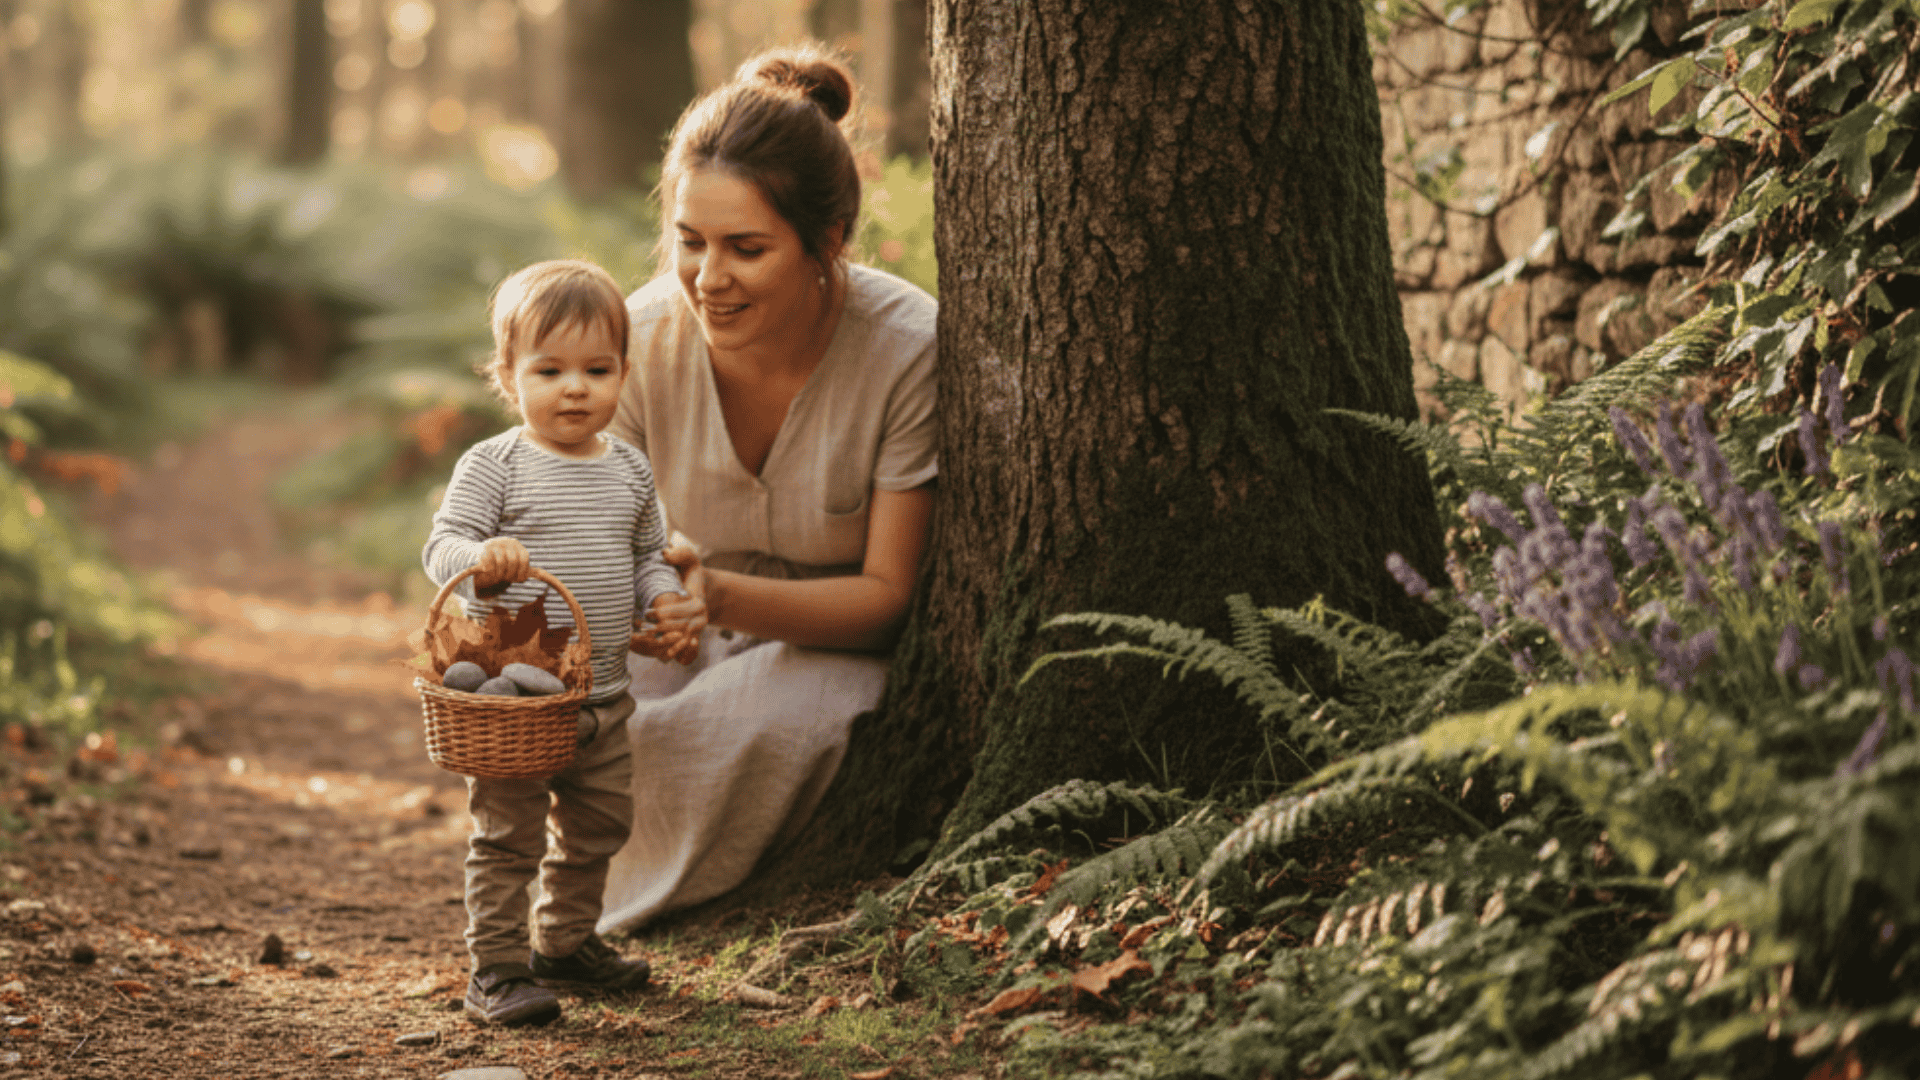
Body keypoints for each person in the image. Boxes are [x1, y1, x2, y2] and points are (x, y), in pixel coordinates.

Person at [597, 43, 937, 933]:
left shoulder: (904, 349)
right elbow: (601, 547)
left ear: (826, 242)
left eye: (747, 248)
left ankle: (638, 902)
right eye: (690, 242)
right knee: (591, 720)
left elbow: (888, 600)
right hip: (673, 634)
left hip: (828, 649)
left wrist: (721, 598)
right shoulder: (637, 343)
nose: (709, 280)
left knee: (759, 727)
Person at [422, 259, 701, 1027]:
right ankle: (498, 970)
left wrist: (667, 596)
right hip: (516, 700)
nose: (575, 387)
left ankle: (565, 942)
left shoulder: (631, 471)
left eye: (597, 369)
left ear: (622, 374)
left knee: (600, 826)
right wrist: (480, 563)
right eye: (550, 369)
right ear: (507, 377)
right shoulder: (495, 464)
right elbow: (442, 544)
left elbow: (648, 555)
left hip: (604, 698)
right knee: (508, 837)